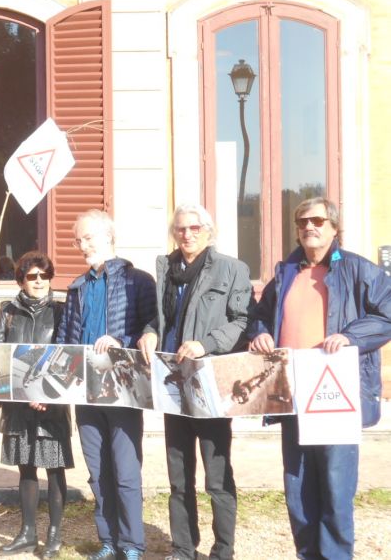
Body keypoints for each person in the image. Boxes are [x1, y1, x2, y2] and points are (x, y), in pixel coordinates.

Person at [249, 197, 391, 559]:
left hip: (334, 393)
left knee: (335, 486)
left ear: (334, 227)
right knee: (298, 487)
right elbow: (260, 315)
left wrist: (352, 336)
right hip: (291, 391)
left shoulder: (358, 270)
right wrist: (260, 333)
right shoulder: (286, 272)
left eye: (316, 220)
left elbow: (387, 314)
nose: (308, 227)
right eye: (302, 222)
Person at [138, 204, 253, 560]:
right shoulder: (167, 269)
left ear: (208, 231)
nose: (186, 234)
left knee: (217, 476)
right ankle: (183, 548)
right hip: (173, 383)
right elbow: (161, 319)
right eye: (180, 228)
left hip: (210, 383)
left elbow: (242, 321)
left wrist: (207, 344)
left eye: (194, 228)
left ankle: (223, 551)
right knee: (178, 475)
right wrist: (149, 332)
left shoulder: (232, 269)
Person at [56, 211, 157, 560]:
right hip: (85, 388)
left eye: (88, 238)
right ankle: (109, 541)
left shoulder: (138, 281)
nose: (82, 246)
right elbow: (65, 338)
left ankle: (131, 544)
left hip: (123, 388)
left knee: (125, 470)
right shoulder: (77, 287)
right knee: (98, 471)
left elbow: (151, 327)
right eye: (78, 240)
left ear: (109, 236)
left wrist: (121, 340)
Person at [0, 251, 73, 559]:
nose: (39, 281)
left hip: (51, 403)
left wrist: (48, 393)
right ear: (20, 280)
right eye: (32, 276)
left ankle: (54, 535)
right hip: (19, 404)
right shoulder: (7, 311)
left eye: (44, 276)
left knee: (55, 468)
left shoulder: (62, 311)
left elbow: (69, 355)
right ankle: (27, 533)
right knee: (26, 468)